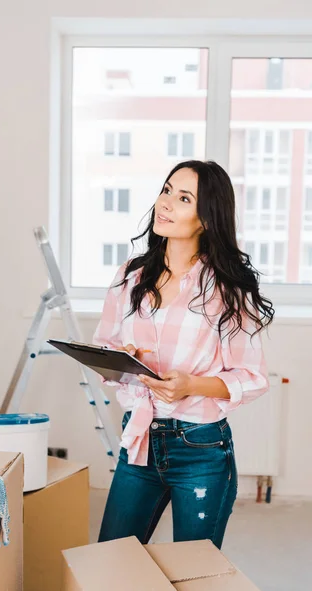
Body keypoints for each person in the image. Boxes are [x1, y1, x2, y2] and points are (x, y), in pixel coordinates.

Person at [93, 160, 274, 549]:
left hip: (201, 450)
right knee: (110, 560)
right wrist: (121, 358)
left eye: (184, 198)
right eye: (166, 190)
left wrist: (191, 385)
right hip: (139, 443)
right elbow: (105, 345)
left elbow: (253, 377)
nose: (166, 203)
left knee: (192, 574)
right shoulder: (130, 276)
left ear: (207, 218)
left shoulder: (227, 288)